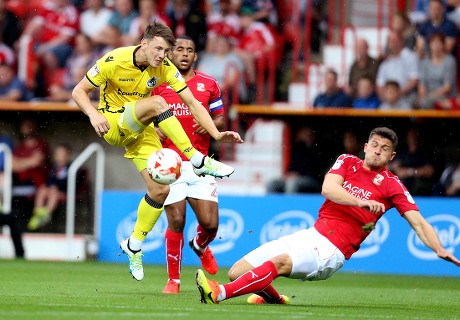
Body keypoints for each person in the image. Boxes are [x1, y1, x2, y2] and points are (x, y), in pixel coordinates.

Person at [195, 127, 460, 305]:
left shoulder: (392, 185)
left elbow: (418, 221)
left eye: (385, 148)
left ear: (392, 155)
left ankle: (218, 295)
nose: (377, 150)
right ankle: (274, 299)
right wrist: (361, 202)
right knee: (237, 272)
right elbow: (328, 188)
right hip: (311, 234)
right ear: (365, 146)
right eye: (374, 145)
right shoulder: (347, 161)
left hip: (331, 251)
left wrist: (438, 248)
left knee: (277, 263)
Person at [71, 22, 243, 281]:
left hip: (140, 132)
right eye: (159, 48)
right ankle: (198, 159)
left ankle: (134, 244)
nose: (162, 55)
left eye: (166, 50)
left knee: (160, 190)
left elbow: (193, 103)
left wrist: (217, 134)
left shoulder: (164, 68)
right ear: (144, 43)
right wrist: (93, 114)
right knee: (159, 102)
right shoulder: (113, 59)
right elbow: (79, 91)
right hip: (113, 123)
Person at [152, 35, 224, 294]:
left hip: (200, 162)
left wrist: (210, 125)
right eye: (179, 49)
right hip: (169, 165)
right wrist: (153, 128)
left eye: (189, 50)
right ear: (171, 54)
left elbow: (220, 120)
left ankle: (201, 246)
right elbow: (143, 114)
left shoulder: (209, 84)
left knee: (211, 225)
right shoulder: (158, 84)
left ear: (195, 56)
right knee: (177, 221)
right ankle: (174, 280)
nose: (184, 53)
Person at [266, 126, 324, 194]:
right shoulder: (297, 150)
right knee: (272, 184)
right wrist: (289, 174)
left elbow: (316, 172)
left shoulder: (318, 151)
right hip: (296, 179)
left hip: (313, 181)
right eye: (302, 133)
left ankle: (289, 204)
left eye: (307, 134)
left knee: (292, 183)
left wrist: (299, 174)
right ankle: (274, 204)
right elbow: (292, 168)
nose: (303, 136)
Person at [27, 143, 72, 231]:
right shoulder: (52, 167)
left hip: (64, 190)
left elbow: (71, 182)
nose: (59, 156)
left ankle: (47, 213)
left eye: (62, 154)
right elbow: (50, 179)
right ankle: (38, 212)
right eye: (57, 154)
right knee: (42, 189)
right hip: (52, 189)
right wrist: (50, 186)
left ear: (67, 156)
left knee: (53, 193)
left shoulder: (71, 168)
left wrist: (57, 187)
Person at [376, 31, 419, 108]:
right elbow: (379, 85)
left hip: (406, 97)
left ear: (401, 41)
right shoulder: (385, 63)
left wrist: (397, 94)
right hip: (388, 100)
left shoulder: (411, 57)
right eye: (390, 41)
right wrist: (387, 96)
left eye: (395, 41)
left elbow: (414, 81)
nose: (393, 44)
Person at [388, 127, 436, 196]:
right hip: (397, 182)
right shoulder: (402, 151)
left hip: (416, 184)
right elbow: (385, 165)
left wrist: (409, 172)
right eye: (409, 135)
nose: (412, 137)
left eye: (414, 135)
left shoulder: (423, 152)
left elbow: (430, 171)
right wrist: (393, 166)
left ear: (418, 136)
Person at [417, 32, 457, 109]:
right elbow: (422, 84)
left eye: (439, 43)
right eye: (434, 42)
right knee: (417, 102)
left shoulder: (450, 61)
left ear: (443, 45)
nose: (436, 45)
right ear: (430, 44)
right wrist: (424, 96)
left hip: (445, 96)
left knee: (426, 103)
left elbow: (447, 87)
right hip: (427, 96)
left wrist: (430, 97)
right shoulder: (424, 62)